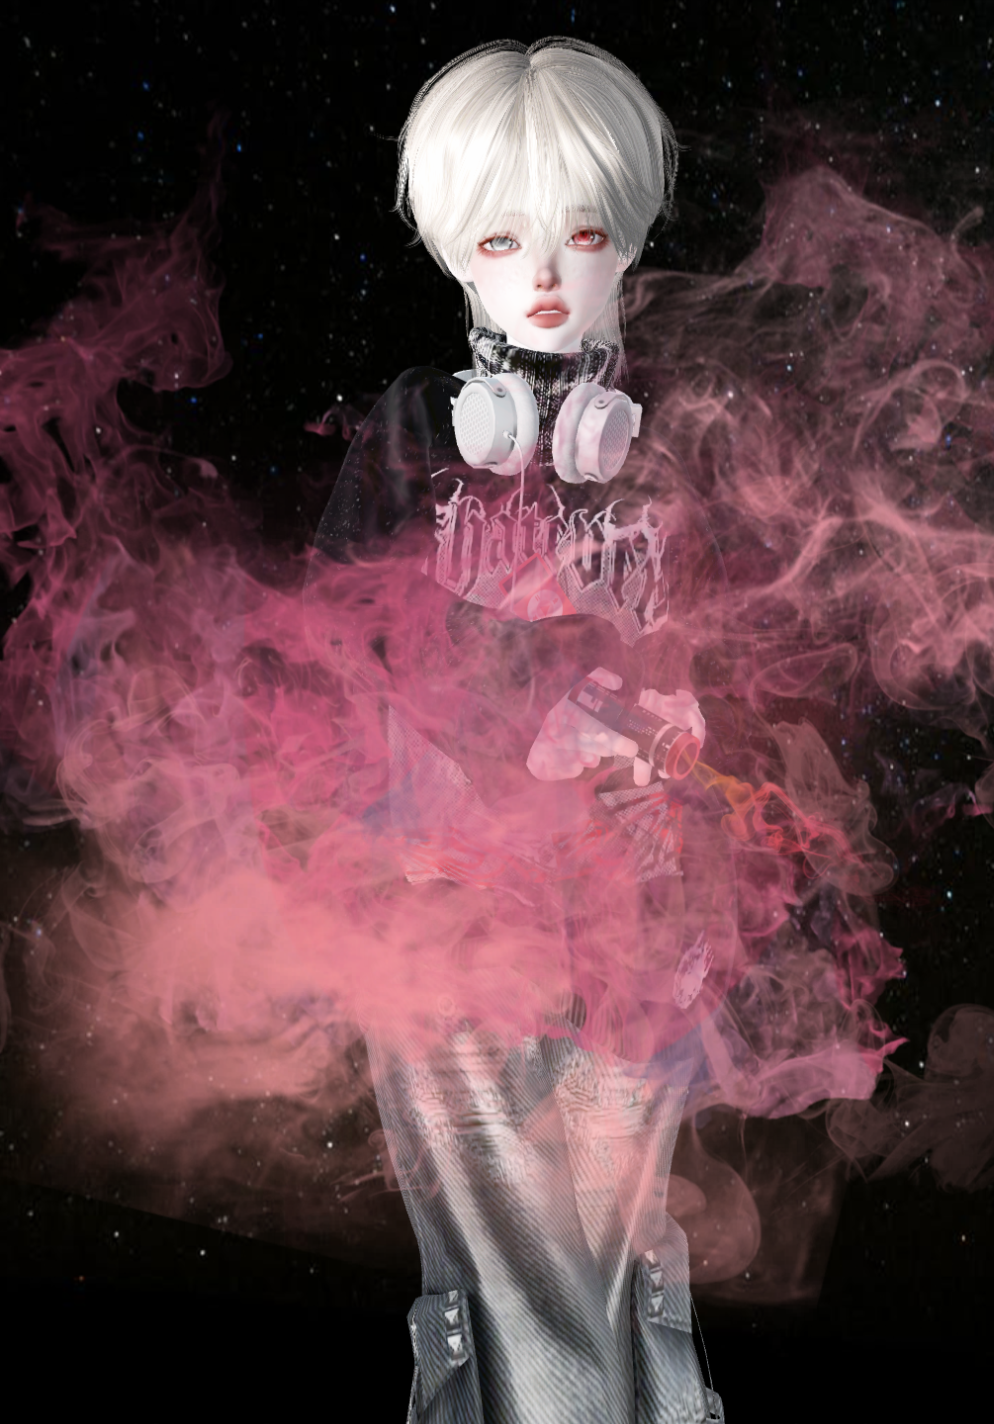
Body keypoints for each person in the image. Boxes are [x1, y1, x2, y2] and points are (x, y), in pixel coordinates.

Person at [304, 36, 730, 1424]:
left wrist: (675, 733)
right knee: (502, 1281)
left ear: (631, 244)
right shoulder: (416, 430)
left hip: (636, 922)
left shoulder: (677, 445)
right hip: (452, 922)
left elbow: (729, 661)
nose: (545, 272)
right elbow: (333, 640)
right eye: (502, 239)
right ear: (455, 255)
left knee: (629, 1267)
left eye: (583, 234)